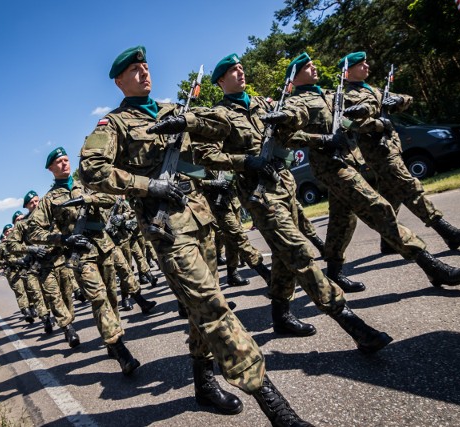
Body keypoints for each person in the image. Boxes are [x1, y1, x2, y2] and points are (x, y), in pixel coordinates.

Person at [80, 45, 317, 426]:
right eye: (134, 70)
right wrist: (148, 185)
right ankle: (275, 404)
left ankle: (203, 383)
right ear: (119, 81)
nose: (143, 73)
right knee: (212, 305)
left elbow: (218, 129)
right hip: (167, 231)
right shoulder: (114, 126)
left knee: (201, 308)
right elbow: (91, 172)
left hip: (201, 220)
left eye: (145, 66)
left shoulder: (173, 111)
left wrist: (188, 121)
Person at [157, 53, 393, 353]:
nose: (240, 73)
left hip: (284, 185)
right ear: (220, 81)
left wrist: (306, 132)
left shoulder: (265, 105)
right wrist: (247, 162)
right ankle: (350, 322)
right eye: (232, 71)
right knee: (298, 250)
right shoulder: (220, 115)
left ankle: (280, 315)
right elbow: (205, 156)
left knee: (283, 256)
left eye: (241, 68)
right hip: (258, 193)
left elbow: (292, 134)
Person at [270, 52, 460, 290]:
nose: (314, 67)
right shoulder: (295, 102)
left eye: (312, 64)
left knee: (342, 220)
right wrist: (324, 139)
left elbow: (354, 117)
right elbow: (288, 137)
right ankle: (431, 266)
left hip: (351, 161)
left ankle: (335, 272)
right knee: (378, 208)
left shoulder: (330, 95)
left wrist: (367, 112)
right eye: (307, 66)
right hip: (331, 166)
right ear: (294, 77)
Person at [340, 51, 460, 255]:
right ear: (348, 71)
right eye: (361, 64)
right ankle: (449, 233)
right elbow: (351, 124)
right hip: (378, 151)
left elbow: (408, 99)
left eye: (366, 63)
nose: (367, 66)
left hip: (392, 147)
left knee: (391, 196)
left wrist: (398, 101)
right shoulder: (347, 96)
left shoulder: (373, 90)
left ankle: (389, 241)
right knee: (410, 188)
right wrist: (380, 124)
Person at [30, 147, 140, 375]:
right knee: (99, 298)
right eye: (58, 162)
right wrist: (62, 239)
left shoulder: (87, 181)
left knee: (111, 295)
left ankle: (112, 340)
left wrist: (88, 198)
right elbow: (33, 233)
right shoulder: (49, 200)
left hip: (104, 245)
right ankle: (120, 350)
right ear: (50, 169)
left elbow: (111, 198)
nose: (63, 164)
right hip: (81, 254)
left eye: (65, 160)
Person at [198, 170, 271, 286]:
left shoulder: (224, 154)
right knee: (239, 237)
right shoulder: (198, 157)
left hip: (232, 202)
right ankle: (266, 274)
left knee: (231, 240)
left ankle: (232, 275)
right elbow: (193, 182)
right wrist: (212, 183)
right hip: (217, 206)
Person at [6, 200, 54, 332]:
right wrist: (22, 258)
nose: (19, 220)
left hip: (44, 263)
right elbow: (11, 250)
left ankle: (49, 314)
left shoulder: (32, 222)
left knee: (47, 292)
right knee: (36, 293)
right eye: (16, 220)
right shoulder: (15, 234)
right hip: (28, 268)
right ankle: (45, 318)